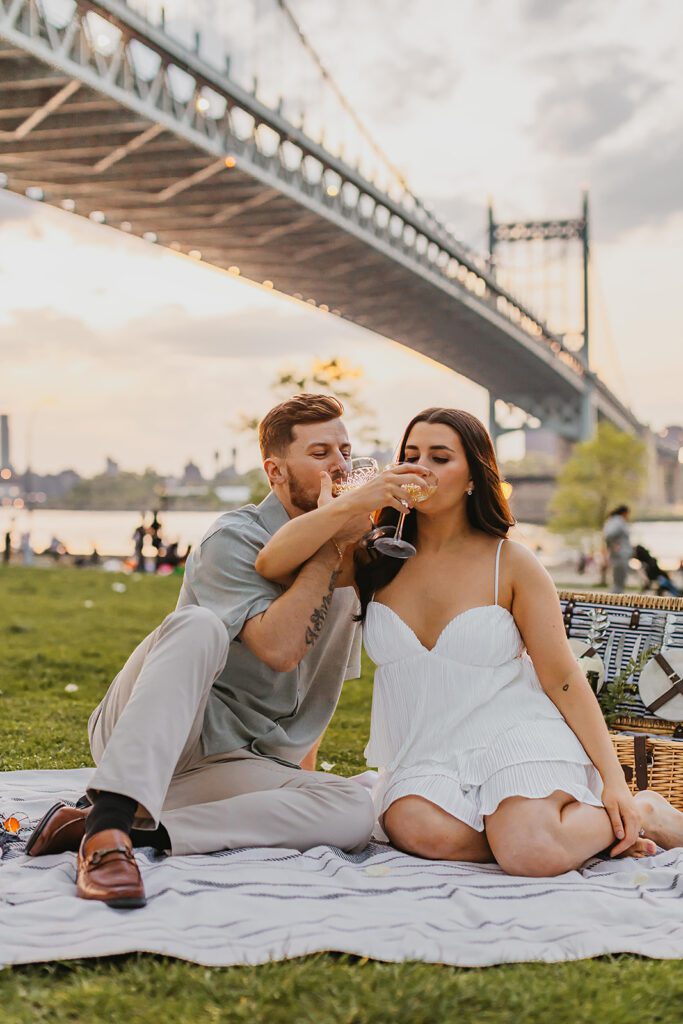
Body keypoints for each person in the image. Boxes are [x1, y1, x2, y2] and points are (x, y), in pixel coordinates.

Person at [25, 394, 424, 909]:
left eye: (346, 452)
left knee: (351, 809)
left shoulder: (356, 563)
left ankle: (130, 829)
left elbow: (313, 698)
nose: (341, 467)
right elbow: (279, 650)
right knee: (198, 626)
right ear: (275, 470)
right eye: (321, 452)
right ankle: (105, 838)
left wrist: (294, 791)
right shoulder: (234, 539)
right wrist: (330, 547)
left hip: (231, 765)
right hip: (160, 734)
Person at [256, 408, 683, 876]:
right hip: (424, 749)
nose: (421, 468)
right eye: (410, 455)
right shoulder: (375, 558)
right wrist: (350, 506)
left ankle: (641, 813)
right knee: (412, 828)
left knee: (529, 853)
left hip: (513, 733)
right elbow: (272, 562)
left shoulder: (512, 562)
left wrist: (614, 781)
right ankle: (572, 838)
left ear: (473, 478)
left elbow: (562, 678)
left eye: (440, 458)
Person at [603, 505, 632, 594]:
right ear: (624, 513)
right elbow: (609, 535)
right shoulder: (618, 521)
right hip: (620, 555)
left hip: (620, 554)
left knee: (618, 581)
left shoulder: (613, 521)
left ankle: (617, 600)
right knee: (619, 581)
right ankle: (616, 602)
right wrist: (613, 546)